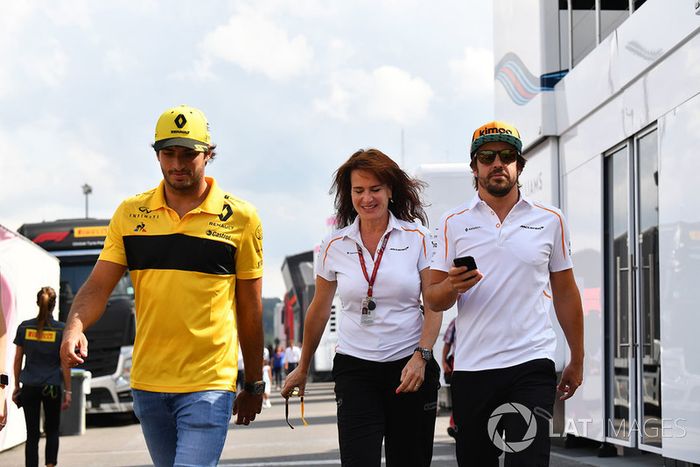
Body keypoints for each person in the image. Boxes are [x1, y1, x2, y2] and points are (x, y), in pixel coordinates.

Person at [60, 105, 265, 467]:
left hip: (209, 383)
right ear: (157, 154)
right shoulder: (130, 213)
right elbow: (97, 287)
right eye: (168, 153)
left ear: (208, 155)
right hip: (148, 385)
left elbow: (250, 309)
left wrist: (254, 383)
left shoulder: (242, 219)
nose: (177, 164)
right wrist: (74, 327)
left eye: (188, 154)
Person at [426, 121, 584, 466]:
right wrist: (452, 285)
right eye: (487, 156)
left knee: (526, 462)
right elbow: (433, 299)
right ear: (474, 167)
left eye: (507, 156)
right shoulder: (453, 221)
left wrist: (577, 357)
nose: (497, 163)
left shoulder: (550, 219)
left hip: (531, 364)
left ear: (519, 165)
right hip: (473, 368)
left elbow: (567, 293)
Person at [281, 149, 442, 467]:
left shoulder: (418, 238)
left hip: (409, 368)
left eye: (375, 189)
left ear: (390, 191)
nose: (367, 198)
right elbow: (319, 307)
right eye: (359, 190)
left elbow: (434, 304)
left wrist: (422, 355)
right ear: (349, 194)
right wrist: (303, 365)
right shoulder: (333, 245)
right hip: (356, 368)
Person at [12, 287, 71, 467]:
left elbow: (17, 359)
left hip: (29, 386)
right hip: (52, 386)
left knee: (32, 434)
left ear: (38, 303)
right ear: (54, 305)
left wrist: (16, 386)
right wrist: (68, 389)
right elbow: (65, 363)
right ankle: (50, 465)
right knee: (52, 430)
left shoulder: (24, 327)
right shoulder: (62, 330)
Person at [441, 317, 457, 439]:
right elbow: (447, 343)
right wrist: (444, 362)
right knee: (458, 397)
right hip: (458, 363)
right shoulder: (455, 322)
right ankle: (454, 425)